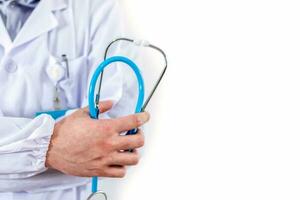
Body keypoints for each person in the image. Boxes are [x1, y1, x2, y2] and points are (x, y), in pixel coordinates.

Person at [0, 0, 150, 199]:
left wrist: (14, 158)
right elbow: (89, 150)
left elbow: (110, 146)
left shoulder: (95, 7)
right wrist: (51, 149)